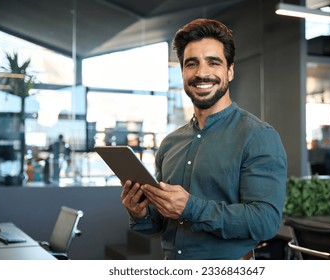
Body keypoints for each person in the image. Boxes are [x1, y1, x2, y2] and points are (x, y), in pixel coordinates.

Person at [121, 18, 287, 260]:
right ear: (182, 73)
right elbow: (158, 223)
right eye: (192, 64)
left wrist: (191, 208)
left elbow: (266, 222)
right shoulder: (170, 144)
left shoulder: (258, 137)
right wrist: (139, 212)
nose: (201, 73)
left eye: (213, 62)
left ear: (230, 71)